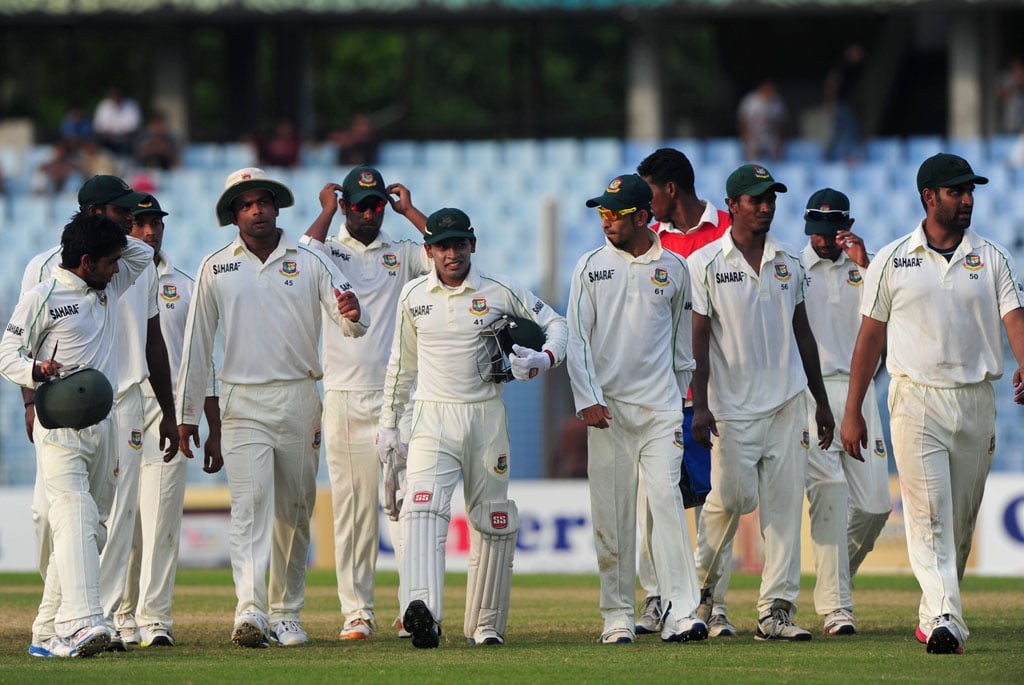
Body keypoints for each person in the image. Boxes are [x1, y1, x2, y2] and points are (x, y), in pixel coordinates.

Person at [176, 167, 370, 649]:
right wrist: (187, 415)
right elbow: (197, 346)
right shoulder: (215, 266)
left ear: (277, 207)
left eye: (263, 201)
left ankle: (286, 613)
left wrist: (353, 316)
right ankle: (251, 610)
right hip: (242, 401)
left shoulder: (309, 259)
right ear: (233, 214)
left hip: (300, 397)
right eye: (246, 204)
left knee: (294, 509)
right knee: (250, 507)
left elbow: (347, 317)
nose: (256, 210)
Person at [841, 153, 1024, 655]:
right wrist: (854, 409)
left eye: (970, 191)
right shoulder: (891, 259)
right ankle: (945, 617)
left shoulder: (992, 257)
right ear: (929, 196)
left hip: (975, 400)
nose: (967, 199)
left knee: (959, 526)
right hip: (914, 399)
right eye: (956, 191)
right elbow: (869, 339)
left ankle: (936, 614)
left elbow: (1015, 320)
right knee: (929, 517)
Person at [378, 207, 567, 648]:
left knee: (494, 520)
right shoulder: (412, 296)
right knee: (421, 509)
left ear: (472, 245)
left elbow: (557, 324)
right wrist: (388, 425)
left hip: (486, 418)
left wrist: (543, 359)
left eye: (459, 244)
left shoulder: (501, 290)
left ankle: (485, 626)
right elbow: (400, 366)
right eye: (442, 246)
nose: (452, 254)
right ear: (428, 251)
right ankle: (422, 613)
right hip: (431, 418)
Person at [18, 174, 178, 655]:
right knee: (54, 518)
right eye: (122, 210)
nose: (135, 219)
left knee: (103, 520)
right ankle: (65, 619)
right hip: (61, 406)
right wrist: (30, 401)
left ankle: (90, 621)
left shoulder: (131, 263)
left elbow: (153, 337)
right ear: (92, 213)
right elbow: (25, 341)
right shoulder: (43, 268)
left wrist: (168, 411)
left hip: (122, 401)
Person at [688, 163, 834, 641]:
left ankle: (776, 611)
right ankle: (701, 596)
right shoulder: (706, 263)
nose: (766, 206)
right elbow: (700, 340)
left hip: (788, 405)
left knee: (784, 510)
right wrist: (702, 404)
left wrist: (822, 402)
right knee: (728, 500)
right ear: (732, 205)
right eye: (756, 199)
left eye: (771, 198)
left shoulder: (788, 262)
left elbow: (804, 333)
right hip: (730, 409)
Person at [566, 174, 706, 645]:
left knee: (666, 503)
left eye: (616, 214)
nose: (606, 220)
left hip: (660, 409)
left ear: (643, 216)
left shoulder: (674, 268)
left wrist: (679, 401)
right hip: (607, 411)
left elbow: (682, 347)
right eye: (602, 213)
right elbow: (578, 339)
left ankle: (683, 611)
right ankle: (617, 615)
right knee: (614, 513)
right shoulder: (589, 267)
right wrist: (587, 398)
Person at [299, 165, 428, 641]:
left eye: (377, 205)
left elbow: (448, 250)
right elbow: (302, 252)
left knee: (410, 506)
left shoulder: (402, 252)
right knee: (353, 511)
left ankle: (414, 605)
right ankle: (357, 612)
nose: (371, 212)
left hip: (400, 395)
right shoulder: (328, 252)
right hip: (345, 395)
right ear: (347, 206)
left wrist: (409, 210)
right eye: (361, 205)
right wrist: (326, 210)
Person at [634, 148, 736, 639]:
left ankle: (710, 600)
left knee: (714, 504)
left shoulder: (728, 230)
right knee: (660, 500)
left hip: (718, 390)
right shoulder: (649, 240)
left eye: (648, 189)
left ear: (670, 189)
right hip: (663, 390)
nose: (642, 201)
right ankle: (658, 597)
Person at [113, 195, 223, 648]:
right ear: (125, 228)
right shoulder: (109, 280)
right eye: (139, 223)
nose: (150, 230)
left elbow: (201, 359)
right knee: (122, 522)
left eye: (155, 222)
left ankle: (155, 617)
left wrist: (208, 423)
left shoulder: (184, 283)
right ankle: (119, 614)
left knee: (161, 520)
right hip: (121, 405)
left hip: (170, 412)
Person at [799, 187, 891, 636]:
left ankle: (835, 583)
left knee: (875, 507)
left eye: (832, 231)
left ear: (847, 228)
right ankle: (837, 607)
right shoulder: (793, 269)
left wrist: (866, 266)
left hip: (859, 391)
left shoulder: (869, 268)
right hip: (809, 393)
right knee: (830, 490)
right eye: (817, 231)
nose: (823, 240)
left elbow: (895, 325)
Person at [824, 44, 866, 163]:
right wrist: (830, 101)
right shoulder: (843, 65)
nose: (860, 56)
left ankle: (834, 158)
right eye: (857, 53)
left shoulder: (855, 68)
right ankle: (847, 157)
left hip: (846, 104)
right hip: (841, 104)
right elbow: (832, 82)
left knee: (841, 131)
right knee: (850, 129)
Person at [737, 81, 787, 162]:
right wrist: (746, 136)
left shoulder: (777, 102)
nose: (770, 94)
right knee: (751, 147)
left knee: (777, 147)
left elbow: (781, 124)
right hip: (753, 134)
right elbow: (743, 121)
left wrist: (779, 140)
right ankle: (752, 169)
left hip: (770, 134)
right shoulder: (751, 101)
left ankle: (776, 169)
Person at [92, 87, 142, 157]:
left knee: (133, 139)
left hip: (126, 136)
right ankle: (104, 160)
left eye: (117, 97)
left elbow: (134, 125)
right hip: (107, 136)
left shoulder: (131, 105)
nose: (115, 99)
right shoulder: (103, 105)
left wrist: (118, 132)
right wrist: (106, 132)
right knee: (96, 139)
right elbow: (97, 125)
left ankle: (127, 160)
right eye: (113, 97)